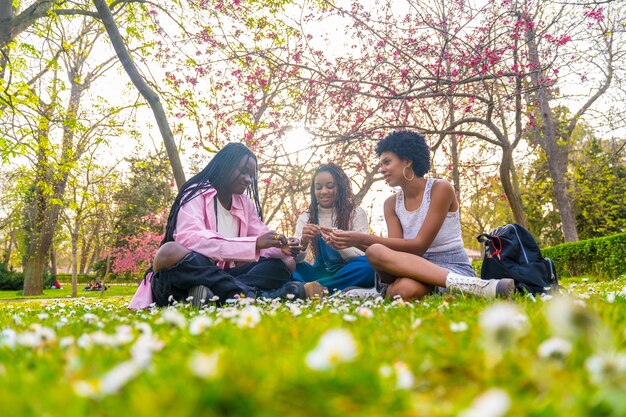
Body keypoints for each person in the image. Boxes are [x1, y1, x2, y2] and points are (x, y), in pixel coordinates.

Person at [324, 131, 514, 300]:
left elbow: (419, 246)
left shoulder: (440, 189)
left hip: (450, 268)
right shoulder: (391, 204)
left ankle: (468, 285)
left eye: (387, 162)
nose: (381, 169)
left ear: (407, 161)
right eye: (381, 163)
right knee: (375, 251)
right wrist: (354, 241)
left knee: (404, 290)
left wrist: (361, 238)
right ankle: (377, 293)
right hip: (407, 267)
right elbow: (396, 252)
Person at [149, 142, 321, 308]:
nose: (248, 179)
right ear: (226, 166)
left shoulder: (244, 203)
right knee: (169, 251)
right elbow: (191, 240)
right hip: (189, 275)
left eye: (251, 175)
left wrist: (282, 246)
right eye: (243, 171)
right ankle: (260, 298)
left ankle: (211, 296)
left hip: (221, 277)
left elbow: (263, 235)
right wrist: (255, 243)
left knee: (285, 262)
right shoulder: (195, 193)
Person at [291, 163, 375, 292]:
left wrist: (341, 244)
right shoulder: (306, 217)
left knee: (369, 266)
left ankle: (309, 289)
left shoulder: (356, 213)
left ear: (341, 187)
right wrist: (303, 243)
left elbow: (363, 253)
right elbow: (295, 260)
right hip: (319, 272)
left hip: (348, 270)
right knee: (288, 266)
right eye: (318, 187)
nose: (324, 191)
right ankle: (325, 288)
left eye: (330, 186)